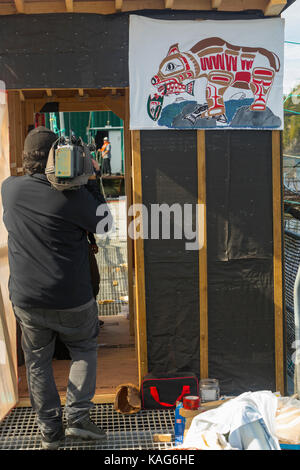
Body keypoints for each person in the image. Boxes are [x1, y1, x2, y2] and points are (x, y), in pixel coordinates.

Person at [1, 127, 111, 450]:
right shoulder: (73, 196)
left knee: (37, 361)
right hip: (73, 299)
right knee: (84, 349)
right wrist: (91, 177)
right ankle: (77, 419)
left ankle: (50, 431)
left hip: (27, 301)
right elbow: (104, 224)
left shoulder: (9, 190)